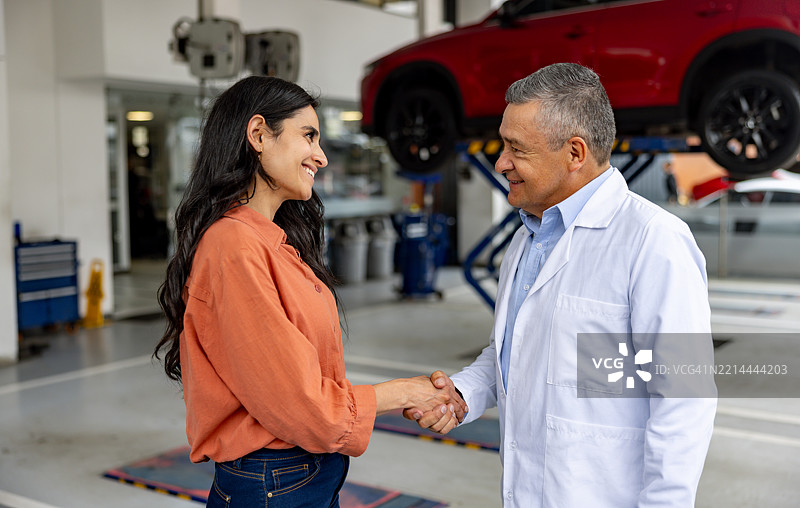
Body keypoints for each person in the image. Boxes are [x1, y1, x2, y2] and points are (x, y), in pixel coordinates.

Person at [407, 63, 717, 507]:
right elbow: (512, 352)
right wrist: (462, 394)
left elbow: (684, 397)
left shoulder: (653, 241)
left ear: (575, 153)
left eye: (516, 148)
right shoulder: (525, 238)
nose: (500, 162)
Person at [154, 75, 464, 507]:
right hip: (273, 483)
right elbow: (303, 404)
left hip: (298, 478)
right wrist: (406, 393)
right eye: (308, 136)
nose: (320, 155)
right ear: (259, 134)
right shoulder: (235, 247)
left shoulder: (272, 239)